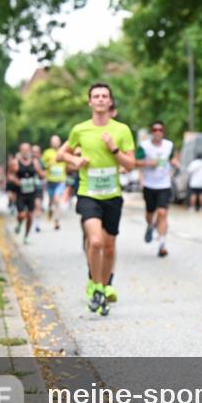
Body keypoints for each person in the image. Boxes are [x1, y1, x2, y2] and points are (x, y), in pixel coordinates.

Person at [57, 83, 135, 315]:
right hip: (87, 193)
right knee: (96, 241)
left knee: (109, 246)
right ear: (89, 102)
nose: (100, 99)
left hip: (112, 195)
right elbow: (62, 154)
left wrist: (113, 149)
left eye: (104, 96)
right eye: (96, 96)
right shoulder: (79, 130)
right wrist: (75, 161)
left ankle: (105, 282)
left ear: (110, 102)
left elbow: (130, 165)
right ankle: (97, 286)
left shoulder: (121, 130)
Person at [136, 120, 179, 257]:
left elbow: (172, 159)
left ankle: (162, 245)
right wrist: (149, 163)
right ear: (151, 132)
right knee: (150, 214)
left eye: (160, 130)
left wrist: (176, 164)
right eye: (155, 130)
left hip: (164, 184)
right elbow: (135, 162)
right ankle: (150, 225)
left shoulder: (169, 145)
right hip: (149, 185)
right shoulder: (144, 146)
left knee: (162, 213)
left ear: (163, 132)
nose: (157, 132)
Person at [9, 143, 44, 244]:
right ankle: (19, 223)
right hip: (20, 192)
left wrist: (43, 174)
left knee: (30, 215)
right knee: (21, 214)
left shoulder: (34, 162)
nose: (25, 152)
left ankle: (26, 236)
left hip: (32, 192)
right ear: (20, 150)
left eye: (27, 149)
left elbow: (40, 174)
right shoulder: (15, 162)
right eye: (23, 150)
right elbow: (10, 176)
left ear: (30, 150)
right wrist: (17, 182)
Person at [41, 135, 67, 230]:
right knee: (51, 202)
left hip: (61, 180)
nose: (55, 143)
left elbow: (67, 163)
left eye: (57, 141)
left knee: (57, 200)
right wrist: (49, 164)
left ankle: (56, 221)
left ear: (60, 142)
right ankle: (50, 211)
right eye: (53, 141)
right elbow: (42, 164)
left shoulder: (64, 151)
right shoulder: (47, 152)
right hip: (50, 180)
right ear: (50, 143)